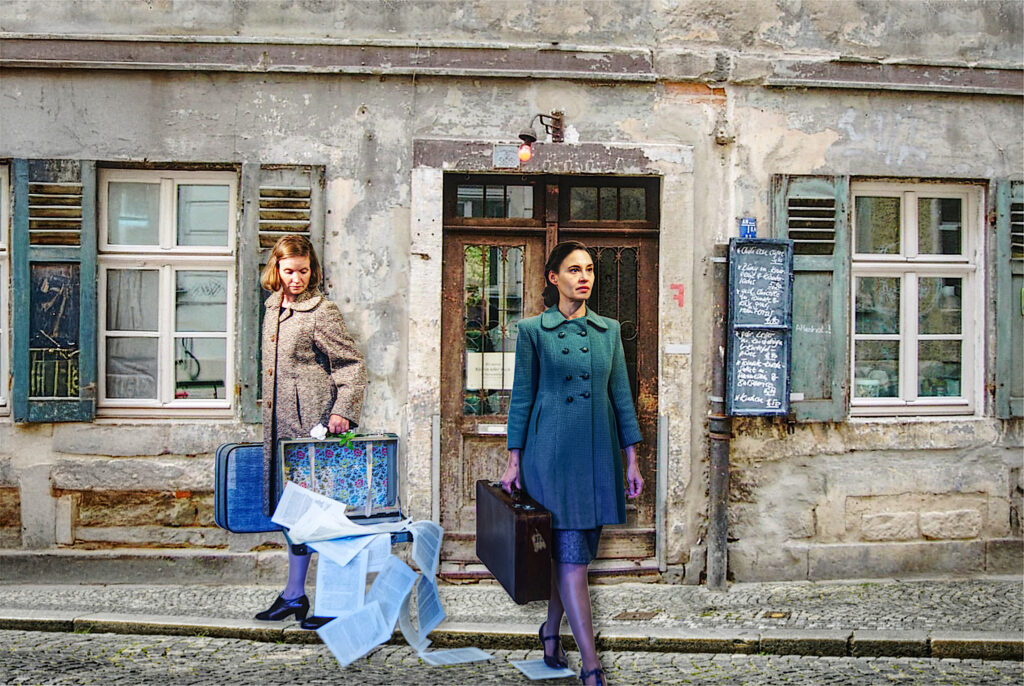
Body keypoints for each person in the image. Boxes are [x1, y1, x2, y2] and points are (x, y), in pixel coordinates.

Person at [500, 241, 643, 686]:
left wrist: (632, 460)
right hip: (551, 457)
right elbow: (521, 398)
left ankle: (550, 634)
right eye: (574, 270)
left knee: (572, 556)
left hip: (598, 457)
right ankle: (592, 666)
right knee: (572, 560)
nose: (584, 277)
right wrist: (514, 461)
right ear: (554, 278)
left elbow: (622, 397)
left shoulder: (609, 331)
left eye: (589, 270)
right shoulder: (533, 331)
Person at [254, 235, 366, 627]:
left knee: (324, 517)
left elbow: (351, 365)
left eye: (303, 271)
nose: (296, 279)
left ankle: (334, 604)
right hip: (281, 430)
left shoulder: (322, 311)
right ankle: (294, 595)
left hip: (314, 430)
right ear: (276, 270)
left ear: (311, 270)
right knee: (295, 517)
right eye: (289, 271)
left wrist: (342, 412)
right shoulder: (273, 308)